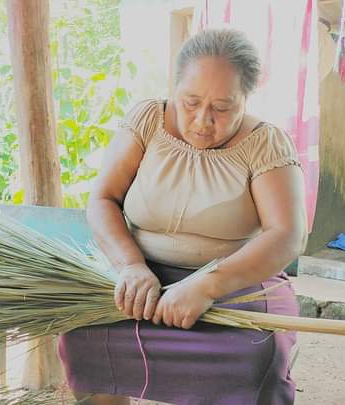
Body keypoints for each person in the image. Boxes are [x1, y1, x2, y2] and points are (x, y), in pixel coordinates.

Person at [58, 28, 307, 405]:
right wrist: (130, 265)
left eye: (222, 108)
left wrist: (206, 285)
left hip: (236, 283)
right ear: (174, 88)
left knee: (256, 355)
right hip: (142, 278)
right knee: (84, 336)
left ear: (246, 99)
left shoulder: (265, 143)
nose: (202, 121)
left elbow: (287, 235)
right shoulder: (147, 120)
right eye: (190, 102)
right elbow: (103, 199)